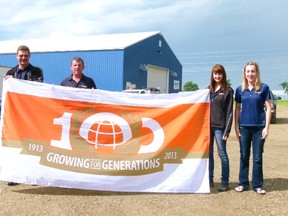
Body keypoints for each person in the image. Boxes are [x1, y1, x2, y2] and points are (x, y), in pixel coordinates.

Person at [4, 45, 44, 186]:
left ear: (29, 57)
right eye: (21, 55)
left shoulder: (37, 71)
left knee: (32, 145)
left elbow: (36, 89)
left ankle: (33, 176)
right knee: (15, 145)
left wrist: (15, 82)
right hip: (15, 118)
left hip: (32, 116)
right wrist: (9, 81)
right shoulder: (10, 72)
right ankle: (14, 176)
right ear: (16, 56)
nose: (23, 58)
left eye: (25, 55)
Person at [234, 61, 271, 195]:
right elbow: (237, 109)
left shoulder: (264, 88)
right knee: (244, 156)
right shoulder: (240, 90)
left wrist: (266, 127)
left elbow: (268, 108)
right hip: (244, 127)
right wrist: (236, 128)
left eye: (252, 71)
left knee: (257, 158)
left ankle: (257, 185)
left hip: (259, 128)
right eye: (248, 71)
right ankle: (243, 183)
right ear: (244, 73)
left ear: (257, 73)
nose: (250, 74)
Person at [208, 64, 234, 192]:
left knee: (222, 153)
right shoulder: (208, 90)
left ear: (223, 75)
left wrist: (227, 130)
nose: (217, 76)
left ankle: (225, 182)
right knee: (209, 154)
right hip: (207, 127)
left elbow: (230, 112)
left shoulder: (228, 90)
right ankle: (209, 179)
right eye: (215, 74)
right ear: (212, 75)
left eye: (219, 73)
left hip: (220, 127)